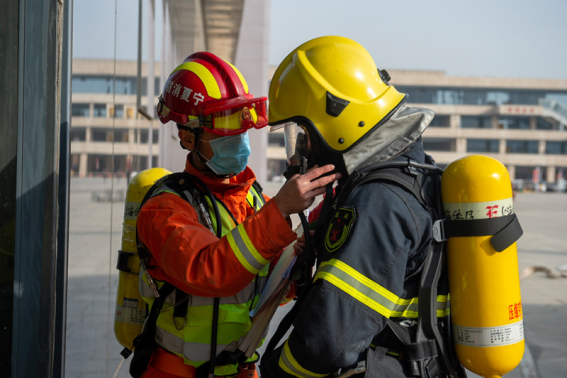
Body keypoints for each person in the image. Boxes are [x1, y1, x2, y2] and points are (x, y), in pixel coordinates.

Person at [260, 37, 464, 378]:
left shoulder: (378, 202)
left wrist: (277, 372)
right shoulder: (409, 175)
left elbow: (328, 343)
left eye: (303, 131)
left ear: (337, 118)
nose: (301, 147)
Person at [134, 52, 340, 378]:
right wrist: (281, 210)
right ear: (187, 136)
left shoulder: (255, 201)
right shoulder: (165, 208)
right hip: (176, 372)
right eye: (225, 132)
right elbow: (208, 271)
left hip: (242, 371)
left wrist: (301, 255)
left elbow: (263, 288)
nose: (239, 141)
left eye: (242, 129)